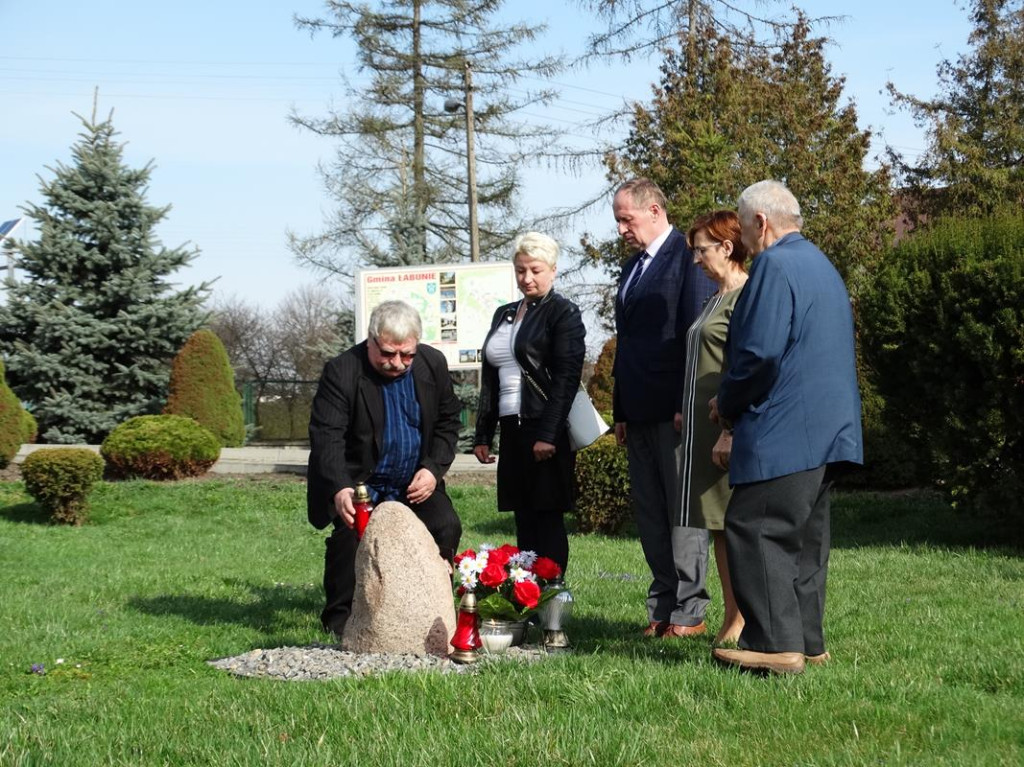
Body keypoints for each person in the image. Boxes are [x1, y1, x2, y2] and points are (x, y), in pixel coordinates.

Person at [710, 180, 863, 675]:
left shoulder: (774, 265)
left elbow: (759, 353)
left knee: (755, 526)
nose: (745, 242)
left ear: (761, 222)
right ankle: (808, 643)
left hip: (785, 428)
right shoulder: (821, 264)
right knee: (805, 538)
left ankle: (775, 645)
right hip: (829, 429)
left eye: (745, 226)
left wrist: (725, 402)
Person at [306, 300, 463, 638]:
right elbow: (326, 436)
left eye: (407, 355)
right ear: (371, 340)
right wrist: (339, 487)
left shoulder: (431, 364)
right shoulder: (343, 371)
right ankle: (340, 621)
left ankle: (434, 614)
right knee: (352, 538)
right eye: (389, 354)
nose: (398, 363)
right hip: (362, 483)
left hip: (414, 481)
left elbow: (449, 422)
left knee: (446, 525)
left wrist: (433, 469)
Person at [611, 178, 717, 638]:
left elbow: (693, 337)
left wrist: (684, 403)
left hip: (673, 411)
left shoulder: (687, 258)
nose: (621, 230)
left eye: (626, 219)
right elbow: (628, 345)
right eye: (618, 220)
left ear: (654, 210)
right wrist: (619, 410)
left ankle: (689, 611)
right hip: (637, 411)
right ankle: (661, 608)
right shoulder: (631, 269)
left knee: (683, 513)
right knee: (651, 512)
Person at [473, 232, 585, 579]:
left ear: (552, 270)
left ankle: (551, 599)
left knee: (546, 518)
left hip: (543, 426)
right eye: (520, 270)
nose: (527, 278)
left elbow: (566, 378)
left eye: (535, 270)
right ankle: (525, 595)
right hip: (511, 428)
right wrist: (482, 433)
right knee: (523, 518)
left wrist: (548, 433)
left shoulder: (562, 313)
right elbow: (491, 376)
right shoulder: (503, 314)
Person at [673, 210, 748, 645]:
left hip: (727, 425)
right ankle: (733, 615)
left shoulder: (747, 297)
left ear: (726, 246)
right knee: (718, 524)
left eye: (702, 249)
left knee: (733, 522)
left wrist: (731, 426)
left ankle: (742, 618)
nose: (696, 258)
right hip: (702, 427)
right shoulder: (713, 298)